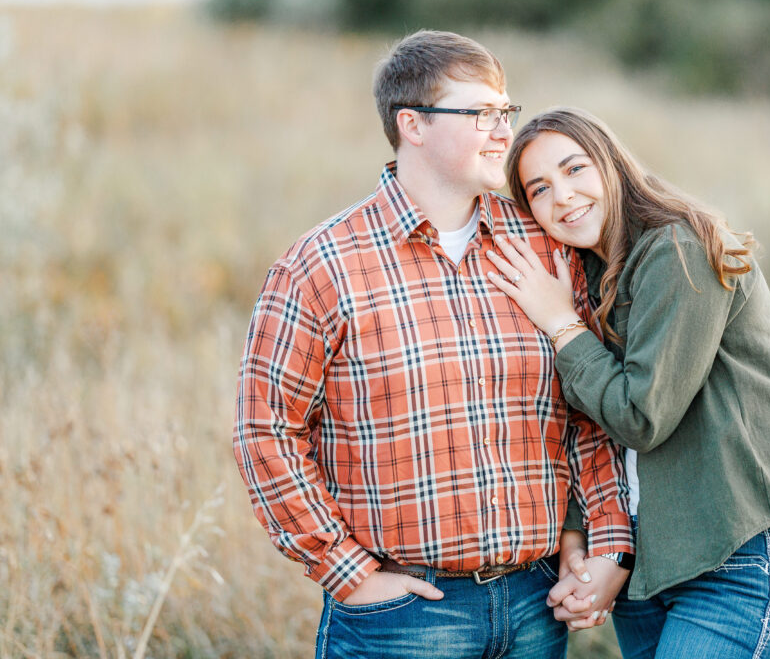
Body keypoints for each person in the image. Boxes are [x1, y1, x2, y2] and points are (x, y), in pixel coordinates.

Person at [233, 35, 633, 659]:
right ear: (412, 125)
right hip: (404, 619)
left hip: (536, 604)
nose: (503, 130)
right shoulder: (322, 266)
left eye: (506, 111)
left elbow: (586, 410)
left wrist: (609, 543)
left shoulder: (544, 246)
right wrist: (350, 574)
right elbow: (265, 432)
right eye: (479, 114)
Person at [486, 107, 770, 658]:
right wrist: (578, 536)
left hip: (736, 552)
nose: (564, 197)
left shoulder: (678, 250)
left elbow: (640, 416)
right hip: (651, 562)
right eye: (540, 189)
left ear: (612, 165)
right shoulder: (587, 276)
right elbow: (582, 421)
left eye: (576, 170)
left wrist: (562, 326)